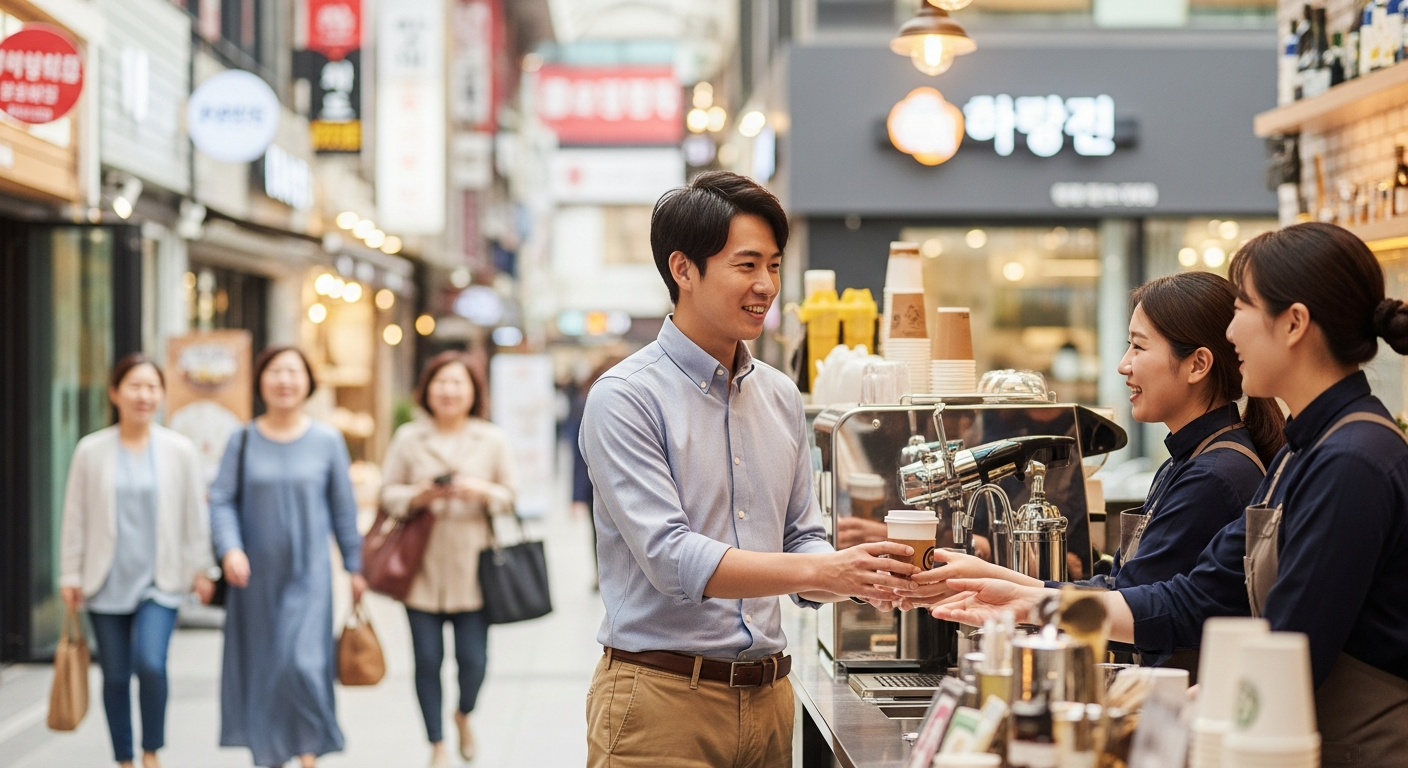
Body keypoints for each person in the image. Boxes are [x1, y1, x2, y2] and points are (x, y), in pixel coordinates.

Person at [926, 222, 1408, 764]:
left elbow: (1287, 651)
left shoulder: (1351, 461)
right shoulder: (1305, 451)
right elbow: (1196, 595)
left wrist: (1153, 719)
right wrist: (1030, 599)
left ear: (1294, 323)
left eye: (1243, 308)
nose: (1231, 333)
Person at [579, 170, 917, 768]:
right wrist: (822, 567)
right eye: (747, 265)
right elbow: (672, 558)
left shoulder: (781, 395)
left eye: (775, 266)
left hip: (768, 703)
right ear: (683, 270)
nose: (766, 285)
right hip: (661, 705)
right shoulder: (626, 396)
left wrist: (857, 572)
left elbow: (801, 540)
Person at [901, 273, 1283, 669]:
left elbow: (1134, 606)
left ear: (1197, 364)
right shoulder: (1184, 462)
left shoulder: (1214, 475)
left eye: (1138, 346)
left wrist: (1024, 599)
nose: (1123, 365)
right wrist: (1000, 581)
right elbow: (1118, 591)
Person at [210, 346, 367, 768]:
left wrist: (355, 566)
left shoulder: (327, 440)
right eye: (275, 372)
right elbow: (221, 500)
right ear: (260, 381)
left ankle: (308, 752)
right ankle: (269, 756)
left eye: (293, 372)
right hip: (254, 579)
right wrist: (230, 549)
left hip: (309, 575)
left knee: (301, 664)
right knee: (264, 669)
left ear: (308, 383)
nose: (284, 381)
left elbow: (343, 509)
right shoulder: (242, 439)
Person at [58, 353, 215, 768]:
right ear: (115, 392)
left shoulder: (178, 450)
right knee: (113, 675)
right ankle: (124, 758)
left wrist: (203, 568)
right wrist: (70, 573)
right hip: (104, 580)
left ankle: (151, 750)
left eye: (152, 387)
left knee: (150, 664)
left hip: (159, 579)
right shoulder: (90, 451)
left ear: (162, 395)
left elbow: (194, 517)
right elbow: (75, 516)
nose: (143, 395)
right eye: (134, 386)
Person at [379, 351, 516, 768]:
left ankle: (463, 714)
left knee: (474, 661)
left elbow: (511, 496)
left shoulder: (491, 439)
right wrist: (418, 495)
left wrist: (481, 491)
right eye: (441, 382)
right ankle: (436, 743)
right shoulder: (408, 437)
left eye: (458, 383)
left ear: (473, 391)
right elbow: (387, 494)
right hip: (419, 569)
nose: (449, 391)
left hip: (474, 572)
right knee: (426, 661)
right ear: (427, 390)